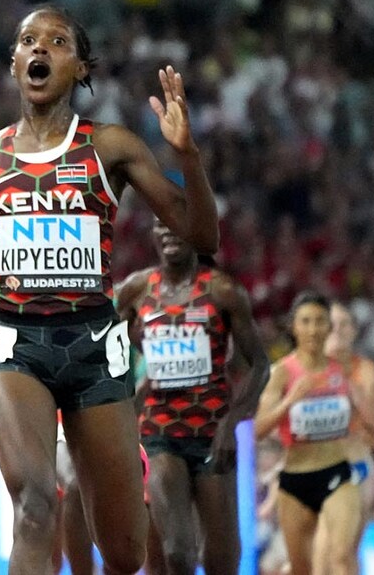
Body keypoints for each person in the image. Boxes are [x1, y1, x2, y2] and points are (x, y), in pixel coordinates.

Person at [0, 5, 219, 574]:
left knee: (124, 551)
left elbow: (203, 234)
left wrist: (186, 154)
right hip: (14, 345)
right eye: (28, 41)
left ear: (80, 65)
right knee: (36, 505)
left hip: (94, 347)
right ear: (14, 62)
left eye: (57, 41)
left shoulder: (110, 146)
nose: (39, 49)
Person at [113, 221, 269, 575]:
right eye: (159, 225)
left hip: (213, 434)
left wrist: (232, 423)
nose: (169, 232)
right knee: (178, 553)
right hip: (158, 431)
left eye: (177, 223)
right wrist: (133, 388)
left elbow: (259, 365)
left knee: (221, 562)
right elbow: (107, 348)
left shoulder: (222, 290)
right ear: (152, 234)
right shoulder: (137, 290)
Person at [253, 292, 374, 575]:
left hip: (339, 473)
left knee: (341, 556)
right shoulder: (281, 374)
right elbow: (258, 431)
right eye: (305, 321)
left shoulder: (347, 372)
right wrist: (290, 402)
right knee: (302, 567)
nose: (313, 329)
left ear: (328, 328)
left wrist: (359, 397)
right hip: (296, 479)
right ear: (293, 327)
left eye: (320, 321)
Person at [310, 301, 374, 575]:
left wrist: (349, 388)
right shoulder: (302, 368)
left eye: (345, 324)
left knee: (343, 553)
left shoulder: (365, 371)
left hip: (353, 465)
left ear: (354, 331)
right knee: (320, 558)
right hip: (311, 468)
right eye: (332, 324)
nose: (338, 330)